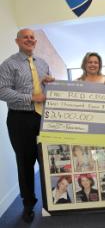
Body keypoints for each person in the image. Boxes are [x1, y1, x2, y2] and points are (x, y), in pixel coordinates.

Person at [0, 29, 54, 222]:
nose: (30, 40)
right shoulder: (8, 64)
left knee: (48, 161)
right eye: (26, 37)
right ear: (17, 41)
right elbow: (2, 91)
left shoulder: (43, 63)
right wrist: (30, 98)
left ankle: (54, 200)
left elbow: (46, 90)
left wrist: (50, 82)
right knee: (25, 164)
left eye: (32, 37)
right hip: (20, 119)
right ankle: (28, 204)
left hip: (44, 118)